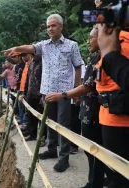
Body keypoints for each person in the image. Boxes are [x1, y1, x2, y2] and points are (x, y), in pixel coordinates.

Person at [3, 14, 83, 172]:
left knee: (63, 125)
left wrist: (76, 91)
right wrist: (17, 49)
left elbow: (78, 67)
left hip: (64, 93)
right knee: (50, 122)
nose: (50, 29)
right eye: (48, 26)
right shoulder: (44, 45)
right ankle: (52, 150)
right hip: (47, 92)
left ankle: (64, 158)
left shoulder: (72, 46)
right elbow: (30, 48)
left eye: (53, 26)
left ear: (61, 26)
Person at [45, 27, 104, 188]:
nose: (88, 41)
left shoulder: (99, 57)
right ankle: (96, 180)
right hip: (90, 110)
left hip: (95, 112)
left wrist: (63, 95)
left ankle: (95, 181)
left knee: (95, 149)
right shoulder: (97, 57)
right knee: (94, 149)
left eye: (91, 38)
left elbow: (86, 86)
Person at [93, 23, 129, 187]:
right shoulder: (109, 46)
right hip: (107, 118)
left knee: (118, 176)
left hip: (120, 122)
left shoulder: (123, 45)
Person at [12, 52, 27, 126]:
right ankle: (21, 119)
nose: (13, 58)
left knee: (23, 105)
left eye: (15, 57)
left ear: (18, 57)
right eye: (13, 57)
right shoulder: (16, 66)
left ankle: (24, 121)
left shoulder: (24, 65)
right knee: (19, 105)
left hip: (23, 88)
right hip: (18, 87)